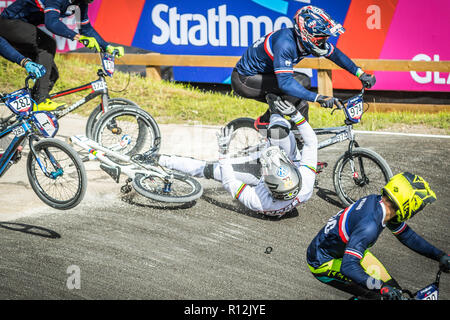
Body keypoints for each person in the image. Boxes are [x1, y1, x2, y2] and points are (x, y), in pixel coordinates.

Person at [136, 96, 318, 217]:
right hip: (287, 162)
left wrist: (223, 152)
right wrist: (295, 116)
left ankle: (159, 159)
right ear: (294, 173)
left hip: (256, 175)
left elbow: (229, 181)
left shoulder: (259, 201)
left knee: (207, 169)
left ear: (267, 183)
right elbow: (312, 143)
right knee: (279, 129)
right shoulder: (305, 184)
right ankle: (274, 110)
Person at [306, 172, 450, 300]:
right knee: (378, 295)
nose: (419, 209)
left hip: (347, 250)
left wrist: (440, 256)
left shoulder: (382, 205)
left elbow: (407, 236)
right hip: (323, 262)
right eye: (419, 205)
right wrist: (381, 288)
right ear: (408, 203)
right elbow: (348, 267)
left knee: (395, 290)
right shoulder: (369, 226)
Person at [231, 5, 376, 124]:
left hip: (267, 75)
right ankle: (266, 122)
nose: (324, 41)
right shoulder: (285, 44)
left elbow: (335, 55)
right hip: (245, 80)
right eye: (321, 38)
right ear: (306, 35)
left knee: (301, 104)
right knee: (302, 82)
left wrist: (360, 73)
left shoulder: (307, 41)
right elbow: (285, 84)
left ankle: (300, 153)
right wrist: (318, 97)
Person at [0, 0, 124, 111]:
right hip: (7, 23)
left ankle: (28, 110)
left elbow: (86, 29)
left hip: (22, 28)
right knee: (48, 44)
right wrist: (78, 37)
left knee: (51, 74)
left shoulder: (80, 3)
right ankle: (40, 100)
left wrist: (107, 46)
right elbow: (52, 23)